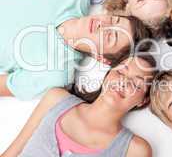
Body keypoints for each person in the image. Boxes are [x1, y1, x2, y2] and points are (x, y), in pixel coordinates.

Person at [0, 0, 152, 100]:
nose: (103, 24)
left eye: (109, 36)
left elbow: (5, 86)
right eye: (113, 20)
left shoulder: (56, 73)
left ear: (101, 57)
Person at [1, 55, 157, 157]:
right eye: (121, 72)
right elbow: (11, 153)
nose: (123, 82)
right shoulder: (56, 99)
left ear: (142, 101)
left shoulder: (135, 149)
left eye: (136, 83)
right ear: (108, 75)